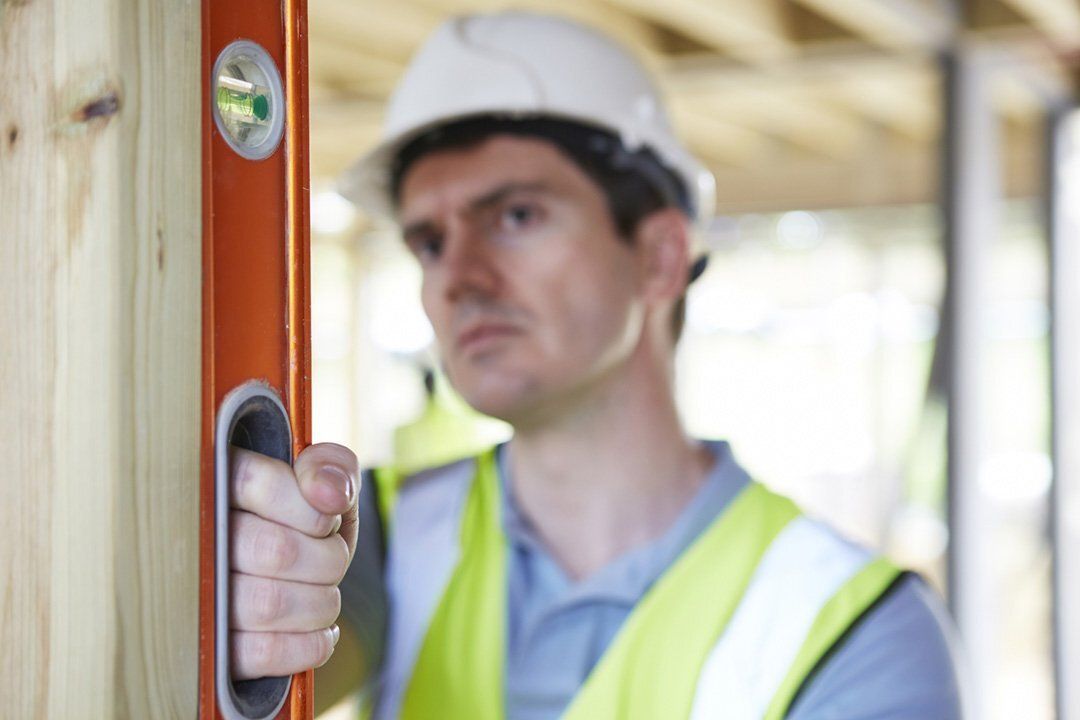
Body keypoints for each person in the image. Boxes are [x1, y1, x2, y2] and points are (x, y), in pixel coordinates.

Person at [226, 11, 966, 719]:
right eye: (430, 242)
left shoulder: (854, 631)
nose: (459, 277)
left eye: (516, 216)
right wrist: (234, 622)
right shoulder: (372, 539)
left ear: (659, 257)